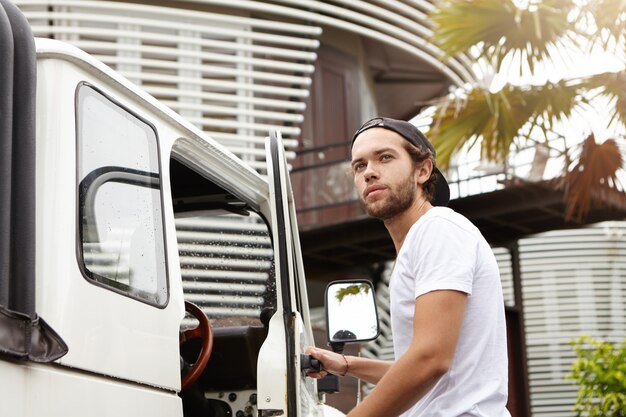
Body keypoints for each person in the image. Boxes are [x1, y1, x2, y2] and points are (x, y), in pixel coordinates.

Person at [306, 117, 510, 417]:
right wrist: (348, 365)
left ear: (423, 170)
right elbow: (428, 369)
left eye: (385, 158)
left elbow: (430, 360)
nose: (370, 172)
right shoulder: (420, 240)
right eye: (359, 166)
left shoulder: (438, 228)